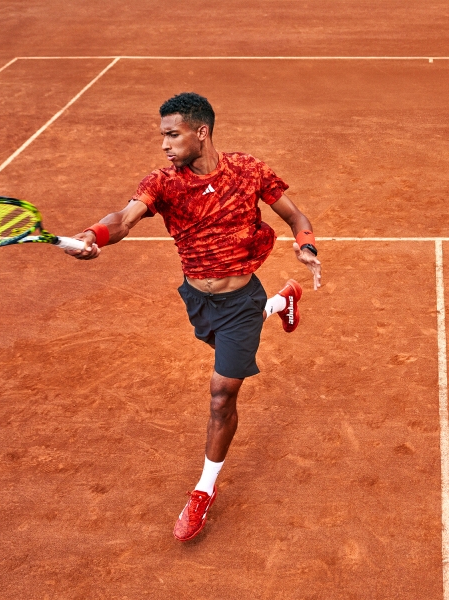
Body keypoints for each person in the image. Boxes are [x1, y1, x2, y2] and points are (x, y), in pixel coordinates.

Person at [66, 92, 322, 542]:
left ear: (201, 132)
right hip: (198, 299)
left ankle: (203, 491)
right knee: (225, 343)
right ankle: (283, 302)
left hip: (241, 297)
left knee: (222, 395)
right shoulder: (163, 182)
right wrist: (94, 235)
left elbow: (295, 214)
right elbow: (124, 219)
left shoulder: (247, 170)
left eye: (172, 134)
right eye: (162, 135)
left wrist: (306, 244)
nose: (164, 145)